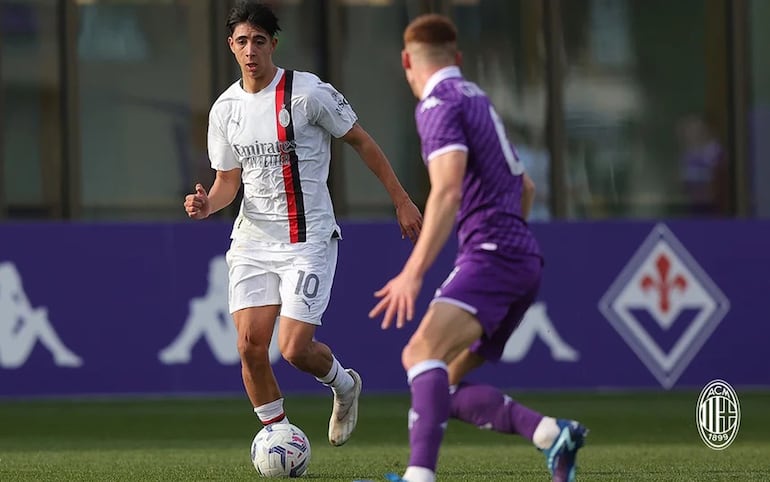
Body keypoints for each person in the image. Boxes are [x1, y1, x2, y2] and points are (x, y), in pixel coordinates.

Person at [184, 0, 422, 448]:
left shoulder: (306, 93)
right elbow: (226, 184)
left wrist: (402, 200)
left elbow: (361, 141)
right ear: (230, 47)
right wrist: (206, 204)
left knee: (293, 349)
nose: (250, 50)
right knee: (250, 348)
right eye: (241, 42)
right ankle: (280, 442)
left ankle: (344, 385)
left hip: (307, 238)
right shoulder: (225, 110)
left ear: (274, 43)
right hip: (253, 240)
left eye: (258, 40)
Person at [369, 14, 586, 482]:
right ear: (459, 58)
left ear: (408, 60)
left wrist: (413, 271)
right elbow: (525, 186)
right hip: (522, 257)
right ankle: (552, 434)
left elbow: (446, 191)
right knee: (438, 384)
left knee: (418, 353)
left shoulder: (437, 104)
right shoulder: (477, 98)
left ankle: (419, 477)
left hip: (492, 254)